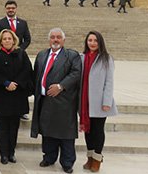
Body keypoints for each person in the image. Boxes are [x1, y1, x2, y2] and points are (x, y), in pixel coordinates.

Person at [31, 28, 82, 174]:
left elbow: (76, 73)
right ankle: (49, 157)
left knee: (65, 134)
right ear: (49, 40)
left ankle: (67, 162)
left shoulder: (71, 55)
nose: (55, 40)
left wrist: (61, 86)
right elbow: (36, 75)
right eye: (52, 37)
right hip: (45, 101)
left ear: (63, 40)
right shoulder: (42, 55)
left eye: (58, 37)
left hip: (64, 102)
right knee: (47, 132)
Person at [0, 29, 33, 164]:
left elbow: (27, 71)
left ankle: (11, 153)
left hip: (17, 96)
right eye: (4, 39)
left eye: (9, 38)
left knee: (14, 128)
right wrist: (5, 83)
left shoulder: (21, 54)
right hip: (1, 97)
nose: (7, 41)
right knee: (2, 128)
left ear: (14, 40)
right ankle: (3, 154)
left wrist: (17, 83)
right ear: (0, 41)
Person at [80, 31, 117, 172]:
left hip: (100, 102)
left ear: (100, 42)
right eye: (90, 40)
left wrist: (107, 101)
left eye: (95, 40)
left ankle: (97, 159)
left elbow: (109, 81)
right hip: (85, 101)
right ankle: (89, 158)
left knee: (97, 131)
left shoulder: (106, 59)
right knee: (87, 131)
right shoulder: (82, 58)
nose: (92, 43)